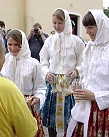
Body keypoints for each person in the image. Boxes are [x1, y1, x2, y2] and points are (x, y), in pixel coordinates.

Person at [66, 10, 109, 137]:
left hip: (102, 112)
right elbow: (88, 75)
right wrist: (79, 86)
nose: (87, 32)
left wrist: (95, 96)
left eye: (90, 27)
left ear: (102, 26)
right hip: (83, 107)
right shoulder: (91, 47)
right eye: (86, 27)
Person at [39, 8, 85, 137]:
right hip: (53, 84)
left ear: (67, 22)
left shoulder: (77, 41)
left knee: (70, 117)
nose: (57, 26)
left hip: (69, 85)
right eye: (54, 23)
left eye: (60, 23)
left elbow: (84, 61)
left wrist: (77, 70)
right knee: (51, 118)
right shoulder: (49, 41)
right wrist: (46, 72)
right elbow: (43, 60)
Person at [0, 29, 47, 136]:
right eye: (10, 44)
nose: (13, 48)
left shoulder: (33, 63)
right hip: (7, 105)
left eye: (17, 45)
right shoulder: (4, 60)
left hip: (26, 106)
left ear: (24, 44)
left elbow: (41, 87)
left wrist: (38, 97)